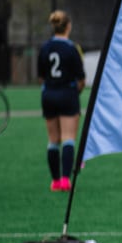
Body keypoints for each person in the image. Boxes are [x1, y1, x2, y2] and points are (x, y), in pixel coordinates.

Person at [37, 10, 85, 192]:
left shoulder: (45, 47)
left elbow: (41, 77)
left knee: (52, 140)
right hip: (67, 94)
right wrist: (75, 92)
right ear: (68, 26)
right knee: (69, 139)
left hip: (48, 94)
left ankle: (55, 181)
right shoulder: (71, 48)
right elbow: (81, 79)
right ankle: (65, 179)